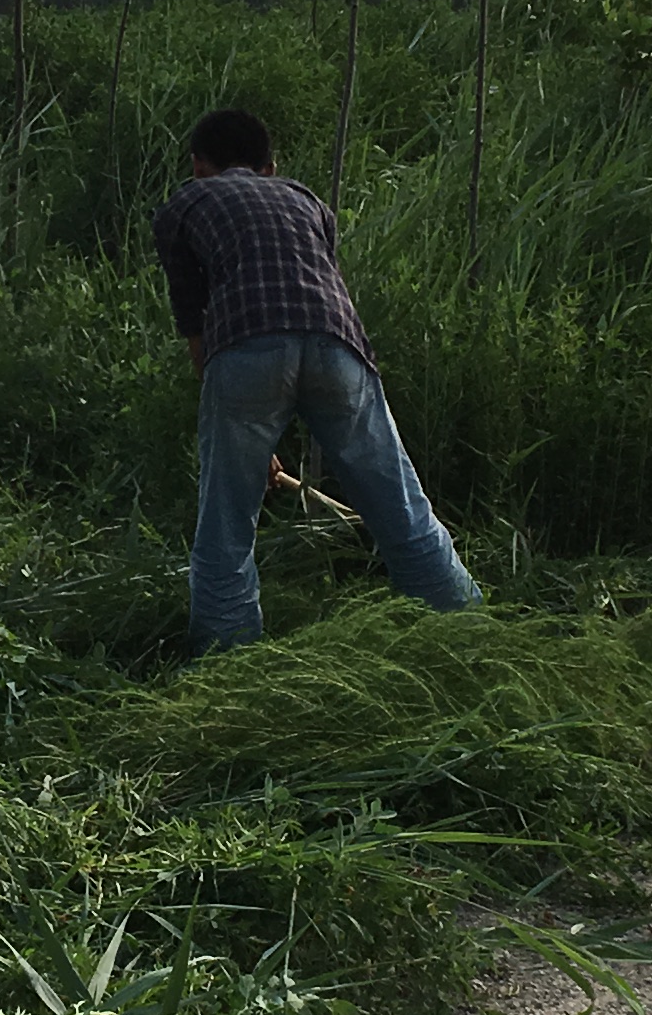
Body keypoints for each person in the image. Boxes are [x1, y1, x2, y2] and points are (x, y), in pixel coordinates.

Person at [150, 104, 479, 650]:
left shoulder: (185, 204)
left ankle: (227, 662)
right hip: (338, 345)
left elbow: (194, 319)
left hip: (244, 349)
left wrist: (233, 421)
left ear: (198, 166)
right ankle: (468, 634)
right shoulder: (307, 201)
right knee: (402, 511)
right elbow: (317, 284)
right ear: (270, 167)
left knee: (226, 529)